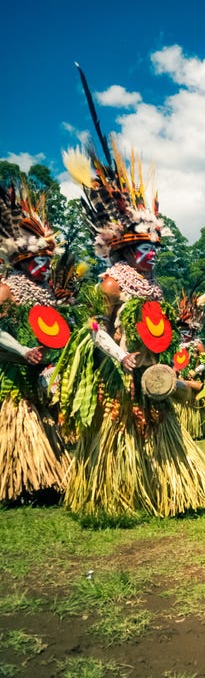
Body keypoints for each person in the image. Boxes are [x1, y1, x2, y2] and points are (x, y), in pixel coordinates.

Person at [56, 132, 205, 519]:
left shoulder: (153, 286)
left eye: (155, 249)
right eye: (147, 248)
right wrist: (121, 355)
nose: (152, 255)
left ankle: (161, 489)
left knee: (156, 424)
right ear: (128, 249)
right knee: (122, 427)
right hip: (120, 371)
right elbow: (93, 328)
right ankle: (119, 493)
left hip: (153, 370)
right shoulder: (110, 283)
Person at [0, 180, 71, 501]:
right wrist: (21, 349)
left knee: (46, 419)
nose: (46, 266)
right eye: (39, 260)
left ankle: (48, 477)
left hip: (42, 370)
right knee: (19, 422)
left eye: (48, 260)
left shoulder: (45, 293)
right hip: (13, 371)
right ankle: (18, 482)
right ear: (23, 261)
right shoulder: (7, 290)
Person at [173, 290, 205, 439]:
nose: (183, 332)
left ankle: (196, 430)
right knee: (181, 402)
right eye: (181, 329)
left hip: (193, 378)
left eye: (186, 329)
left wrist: (195, 371)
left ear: (192, 329)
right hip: (181, 377)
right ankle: (183, 428)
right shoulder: (177, 345)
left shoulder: (197, 344)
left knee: (192, 404)